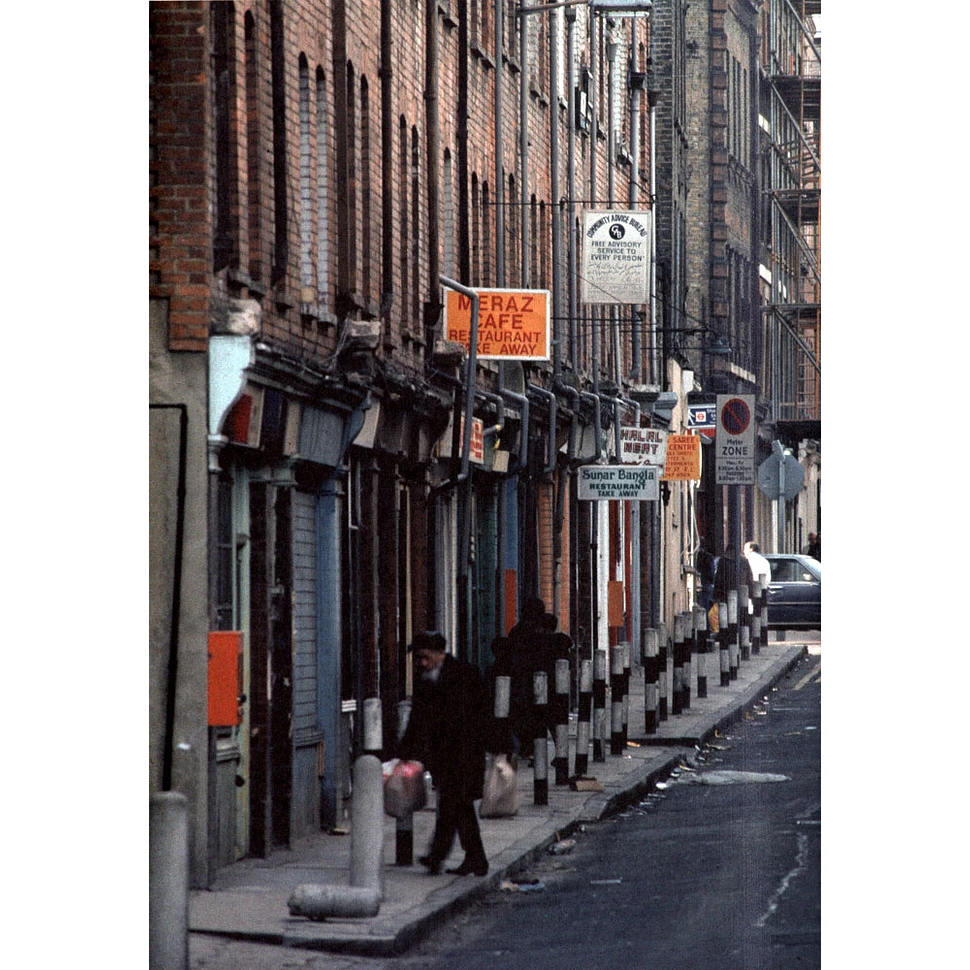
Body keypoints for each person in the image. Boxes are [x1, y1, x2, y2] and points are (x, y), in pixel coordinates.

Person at [397, 631, 489, 877]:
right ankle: (473, 859)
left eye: (426, 658)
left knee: (454, 806)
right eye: (418, 659)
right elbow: (417, 718)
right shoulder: (424, 679)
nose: (422, 663)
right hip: (443, 756)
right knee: (457, 807)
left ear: (440, 653)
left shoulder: (465, 674)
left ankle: (441, 857)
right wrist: (405, 750)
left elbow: (481, 714)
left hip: (465, 753)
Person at [694, 537, 717, 609]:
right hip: (706, 584)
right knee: (706, 607)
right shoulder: (708, 557)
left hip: (695, 582)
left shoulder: (695, 556)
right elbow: (711, 573)